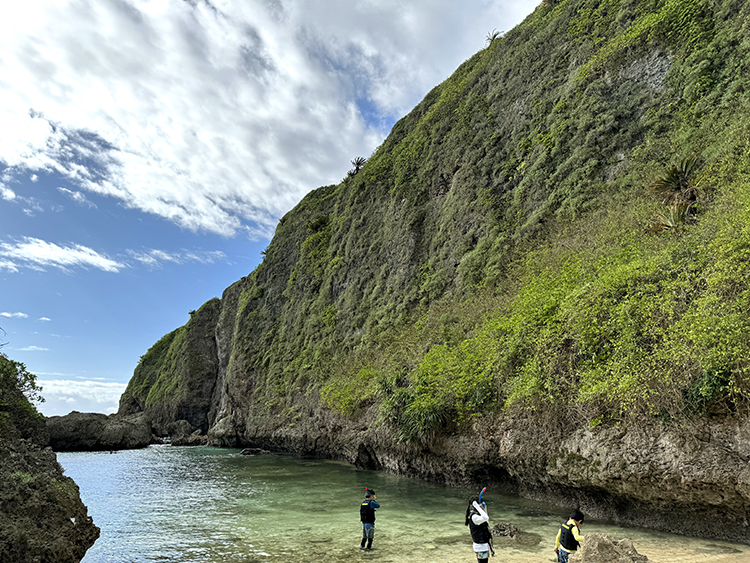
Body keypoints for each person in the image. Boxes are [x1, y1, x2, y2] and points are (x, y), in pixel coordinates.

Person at [465, 496, 494, 562]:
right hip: (480, 547)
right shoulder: (474, 517)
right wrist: (477, 506)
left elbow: (486, 521)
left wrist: (484, 508)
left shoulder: (477, 515)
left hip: (483, 546)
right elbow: (486, 518)